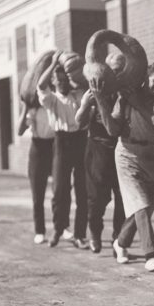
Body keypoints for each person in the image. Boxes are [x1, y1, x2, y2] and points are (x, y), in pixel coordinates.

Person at [90, 62, 154, 272]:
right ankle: (150, 255)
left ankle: (121, 242)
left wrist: (137, 102)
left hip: (151, 156)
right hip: (127, 154)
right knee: (141, 205)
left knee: (148, 206)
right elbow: (112, 129)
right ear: (146, 77)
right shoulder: (124, 99)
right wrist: (100, 100)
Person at [36, 50, 88, 248]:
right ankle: (58, 229)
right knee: (59, 189)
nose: (62, 83)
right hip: (61, 142)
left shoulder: (79, 94)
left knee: (83, 190)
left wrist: (74, 70)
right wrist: (53, 63)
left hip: (81, 140)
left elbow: (87, 83)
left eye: (64, 79)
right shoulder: (51, 99)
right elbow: (40, 85)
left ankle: (80, 234)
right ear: (54, 82)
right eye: (58, 80)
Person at [75, 87, 125, 254]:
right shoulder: (93, 92)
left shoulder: (123, 92)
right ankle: (95, 234)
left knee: (123, 198)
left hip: (120, 148)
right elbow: (79, 122)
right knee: (97, 199)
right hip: (97, 148)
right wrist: (84, 105)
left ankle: (118, 240)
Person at [17, 100, 55, 244]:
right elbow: (19, 131)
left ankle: (62, 226)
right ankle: (40, 230)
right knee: (38, 193)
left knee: (60, 190)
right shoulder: (33, 110)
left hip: (55, 145)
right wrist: (25, 107)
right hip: (38, 147)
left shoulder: (54, 102)